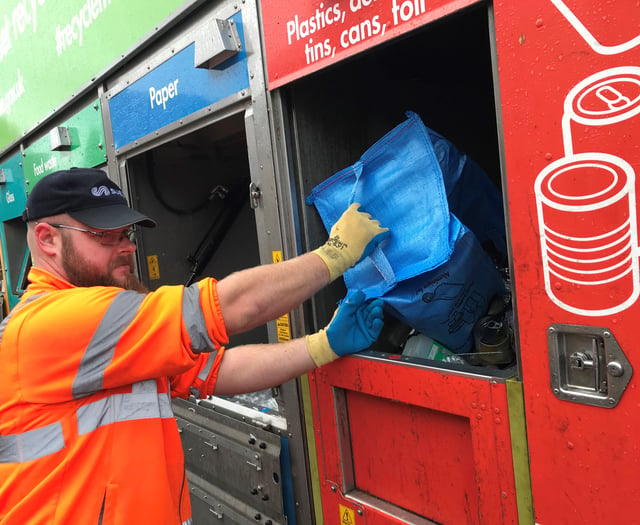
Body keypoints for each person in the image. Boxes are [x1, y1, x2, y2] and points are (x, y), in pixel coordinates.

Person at [0, 167, 389, 524]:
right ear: (47, 239)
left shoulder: (101, 344)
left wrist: (322, 345)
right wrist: (334, 256)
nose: (127, 247)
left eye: (126, 235)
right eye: (104, 236)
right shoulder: (54, 322)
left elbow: (218, 370)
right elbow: (229, 306)